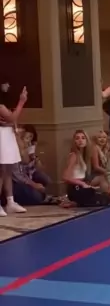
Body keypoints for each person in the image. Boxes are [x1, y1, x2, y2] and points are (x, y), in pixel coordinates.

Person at [0, 85, 28, 215]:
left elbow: (10, 120)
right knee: (1, 171)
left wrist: (11, 122)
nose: (6, 87)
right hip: (1, 136)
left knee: (8, 170)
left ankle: (10, 202)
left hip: (7, 135)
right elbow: (12, 118)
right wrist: (22, 101)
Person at [12, 126, 51, 206]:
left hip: (26, 178)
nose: (28, 141)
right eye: (26, 138)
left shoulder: (26, 149)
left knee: (45, 180)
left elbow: (28, 169)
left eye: (31, 137)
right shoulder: (13, 152)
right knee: (37, 197)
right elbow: (19, 176)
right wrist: (34, 185)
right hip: (15, 183)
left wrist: (33, 157)